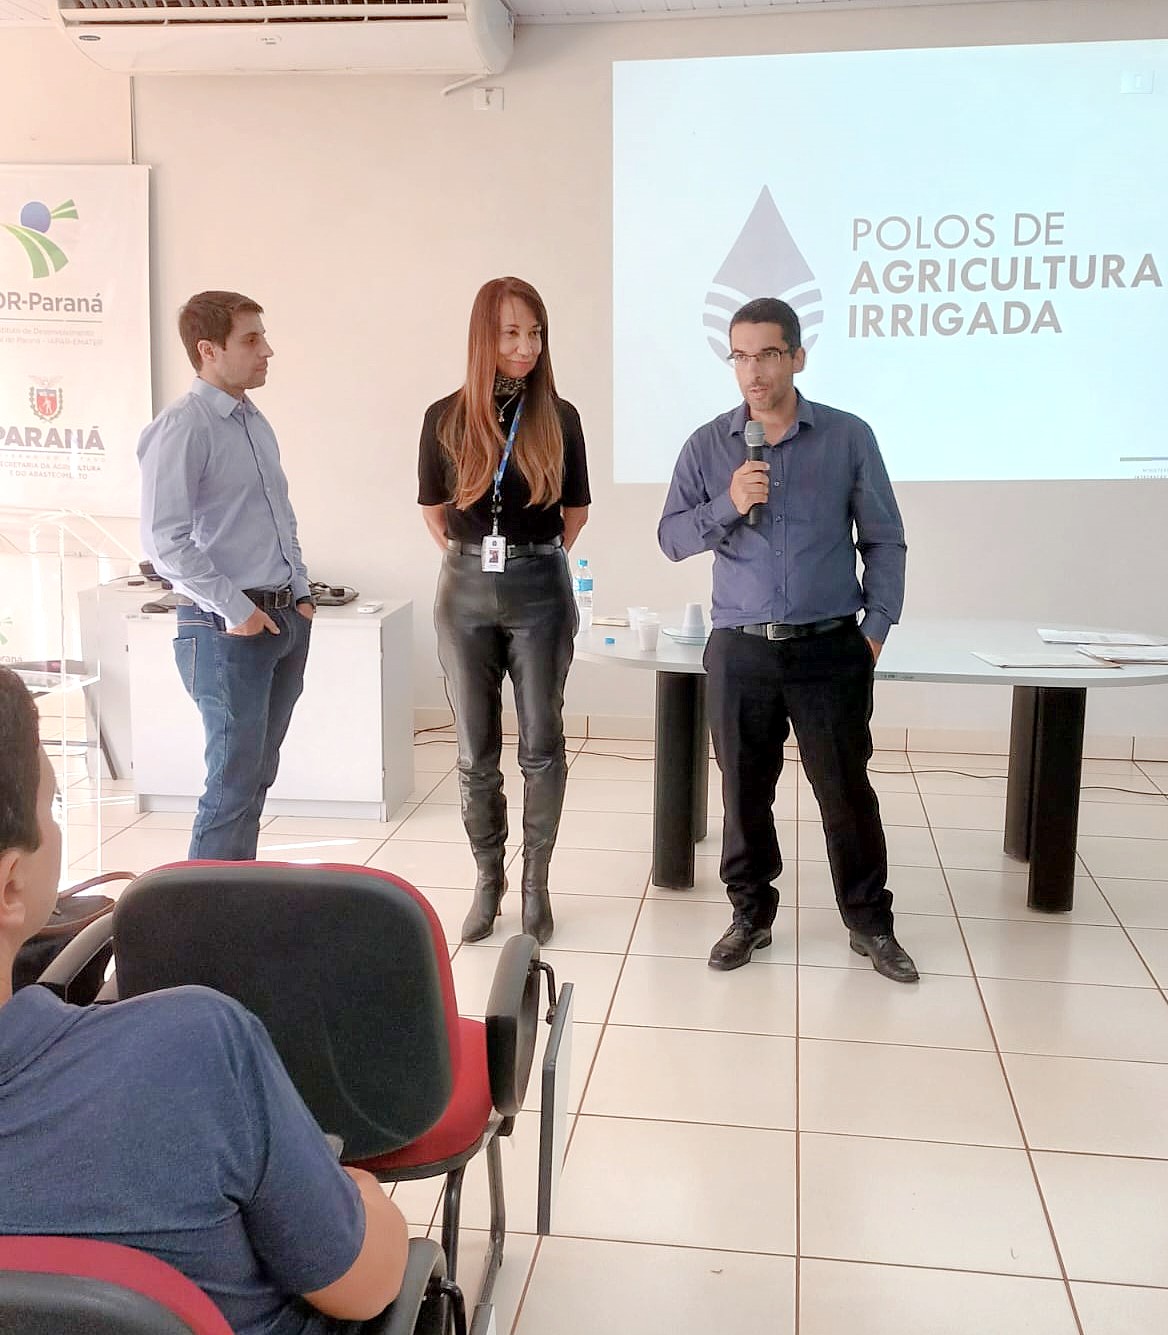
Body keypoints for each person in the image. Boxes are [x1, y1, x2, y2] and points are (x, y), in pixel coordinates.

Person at [0, 666, 409, 1333]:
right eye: (53, 806)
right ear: (11, 885)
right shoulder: (192, 1051)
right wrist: (364, 1200)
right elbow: (363, 1286)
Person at [659, 297, 917, 983]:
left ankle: (870, 922)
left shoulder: (847, 437)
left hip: (829, 647)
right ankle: (750, 916)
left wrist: (875, 630)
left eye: (768, 354)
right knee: (744, 795)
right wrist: (729, 503)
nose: (754, 371)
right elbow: (672, 537)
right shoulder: (708, 445)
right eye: (741, 356)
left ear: (797, 357)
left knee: (845, 793)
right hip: (741, 648)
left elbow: (884, 539)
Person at [418, 277, 590, 945]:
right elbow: (436, 513)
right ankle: (488, 879)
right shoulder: (444, 417)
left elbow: (574, 513)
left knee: (542, 743)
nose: (526, 346)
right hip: (463, 593)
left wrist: (526, 561)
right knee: (475, 751)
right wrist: (479, 562)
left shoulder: (560, 417)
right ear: (482, 338)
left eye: (535, 332)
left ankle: (535, 883)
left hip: (541, 589)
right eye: (511, 332)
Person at [138, 290, 315, 862]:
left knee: (256, 776)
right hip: (226, 628)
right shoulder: (183, 426)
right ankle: (202, 910)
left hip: (282, 618)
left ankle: (238, 894)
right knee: (231, 786)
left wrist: (302, 592)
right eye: (251, 340)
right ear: (208, 350)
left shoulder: (253, 421)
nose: (267, 351)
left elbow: (280, 516)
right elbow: (165, 542)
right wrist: (237, 610)